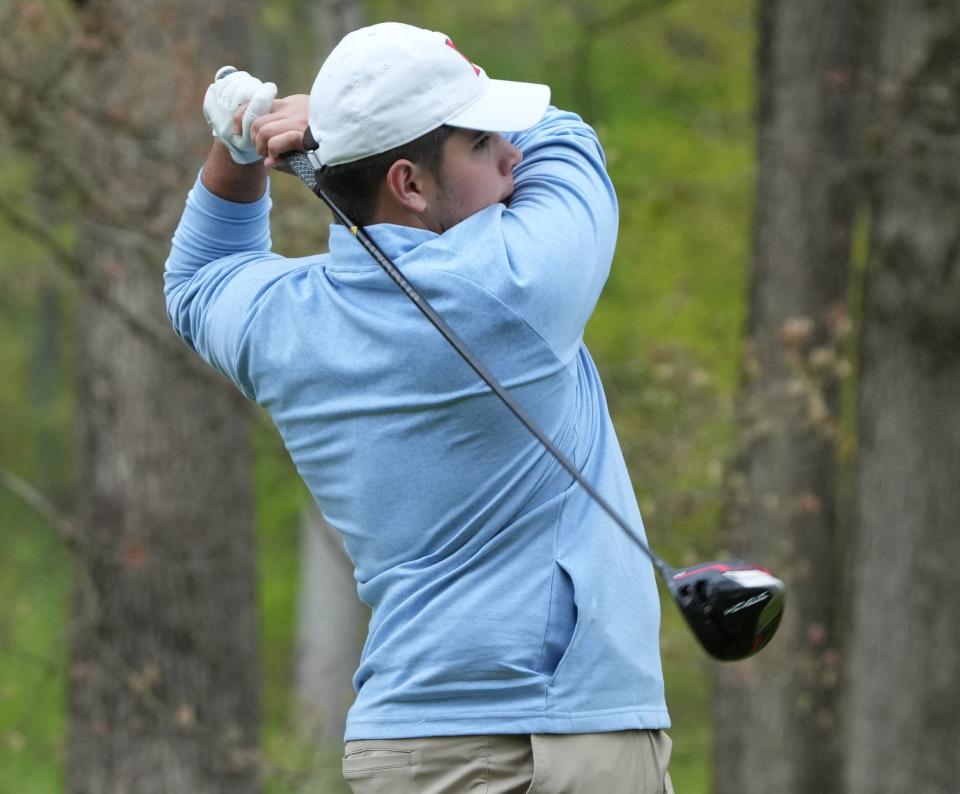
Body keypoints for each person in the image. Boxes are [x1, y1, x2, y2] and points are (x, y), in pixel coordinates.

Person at [165, 21, 673, 794]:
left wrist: (240, 145)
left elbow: (199, 277)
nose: (511, 153)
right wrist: (316, 122)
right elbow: (568, 140)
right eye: (480, 143)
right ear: (408, 183)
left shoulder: (285, 323)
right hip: (570, 743)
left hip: (405, 750)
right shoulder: (522, 282)